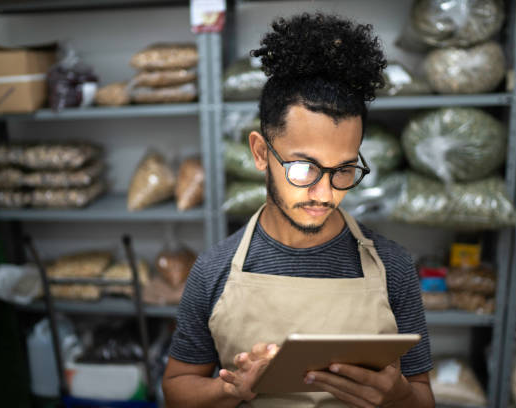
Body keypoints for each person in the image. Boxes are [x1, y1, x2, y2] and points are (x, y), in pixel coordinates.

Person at [162, 13, 434, 408]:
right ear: (260, 152)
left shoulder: (393, 267)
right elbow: (176, 389)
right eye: (304, 168)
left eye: (343, 169)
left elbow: (423, 397)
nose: (324, 194)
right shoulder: (213, 270)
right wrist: (231, 388)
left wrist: (400, 396)